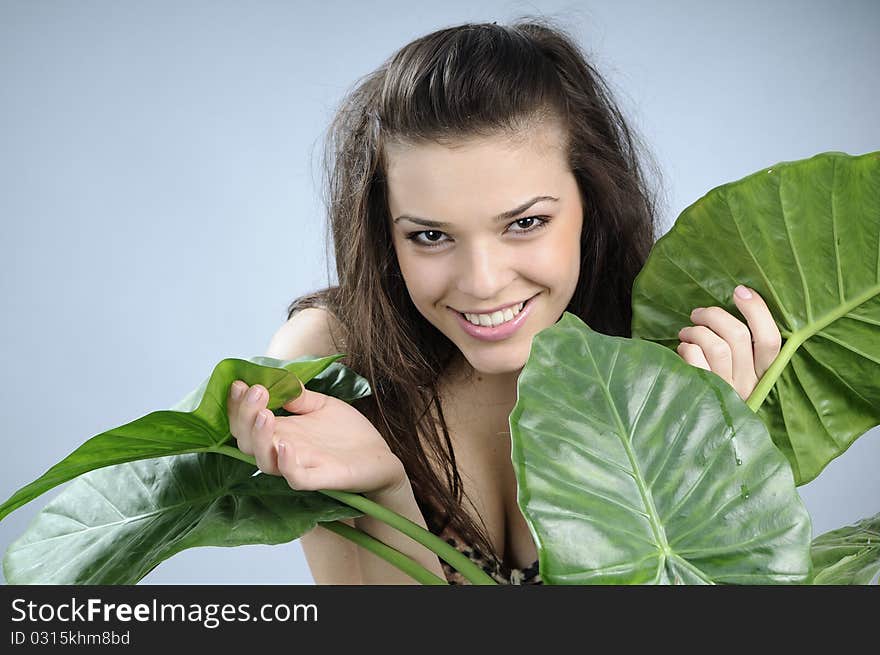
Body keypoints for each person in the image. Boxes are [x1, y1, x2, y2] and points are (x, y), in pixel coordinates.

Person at [225, 19, 783, 585]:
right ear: (384, 231)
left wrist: (702, 462)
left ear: (592, 202)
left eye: (525, 223)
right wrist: (387, 492)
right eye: (431, 236)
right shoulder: (335, 361)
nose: (483, 282)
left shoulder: (681, 356)